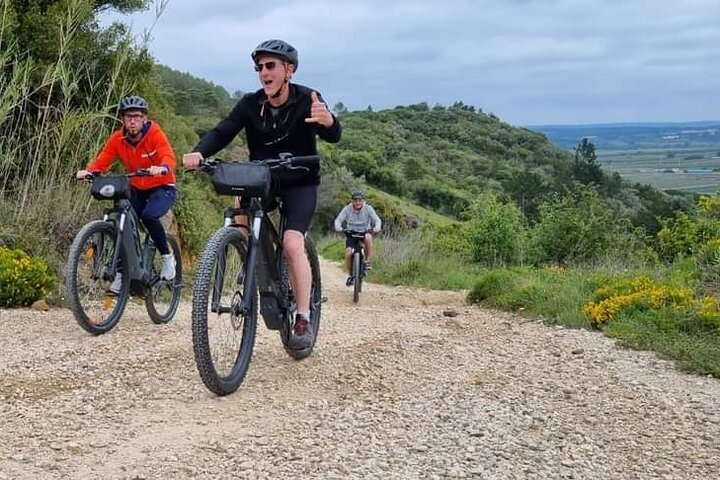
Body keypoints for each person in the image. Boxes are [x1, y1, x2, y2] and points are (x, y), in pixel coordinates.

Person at [182, 39, 342, 350]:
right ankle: (248, 258)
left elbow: (332, 134)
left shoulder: (307, 99)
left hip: (300, 181)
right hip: (263, 179)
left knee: (293, 243)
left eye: (271, 66)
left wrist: (329, 122)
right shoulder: (250, 104)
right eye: (260, 67)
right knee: (239, 206)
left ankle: (304, 316)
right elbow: (222, 131)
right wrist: (198, 153)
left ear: (288, 70)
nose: (264, 72)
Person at [76, 95, 178, 293]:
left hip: (162, 187)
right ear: (122, 119)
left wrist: (163, 167)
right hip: (136, 188)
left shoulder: (155, 133)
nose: (132, 121)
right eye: (128, 116)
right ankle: (121, 273)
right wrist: (89, 171)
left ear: (144, 119)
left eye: (137, 116)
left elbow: (168, 155)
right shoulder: (118, 138)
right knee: (124, 223)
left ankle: (167, 258)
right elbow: (102, 160)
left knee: (149, 215)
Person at [334, 190, 382, 286]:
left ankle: (367, 261)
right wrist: (338, 226)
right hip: (351, 233)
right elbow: (338, 220)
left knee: (368, 237)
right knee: (348, 253)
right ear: (352, 201)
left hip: (364, 232)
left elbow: (377, 220)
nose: (357, 203)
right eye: (355, 201)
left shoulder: (368, 209)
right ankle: (351, 275)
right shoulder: (347, 209)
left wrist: (377, 227)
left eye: (359, 200)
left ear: (363, 201)